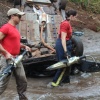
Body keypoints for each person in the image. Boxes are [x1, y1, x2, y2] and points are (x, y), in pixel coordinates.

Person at [0, 8, 31, 100]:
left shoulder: (14, 29)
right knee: (3, 84)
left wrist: (24, 46)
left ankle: (22, 98)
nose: (21, 18)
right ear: (12, 16)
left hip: (17, 59)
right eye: (19, 16)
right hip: (7, 59)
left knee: (23, 81)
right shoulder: (6, 27)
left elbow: (15, 43)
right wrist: (6, 52)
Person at [47, 10, 77, 87]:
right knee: (64, 64)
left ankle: (66, 83)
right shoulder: (65, 24)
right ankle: (54, 84)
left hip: (66, 44)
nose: (76, 18)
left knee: (68, 66)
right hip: (63, 45)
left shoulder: (67, 23)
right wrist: (65, 51)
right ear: (72, 16)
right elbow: (62, 38)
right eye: (75, 16)